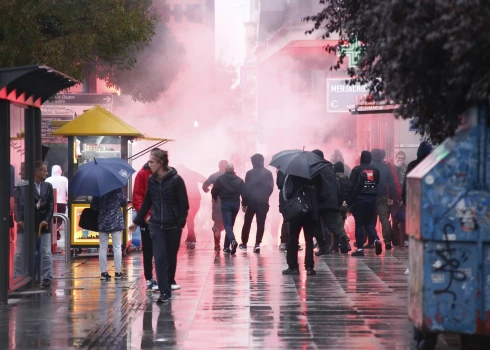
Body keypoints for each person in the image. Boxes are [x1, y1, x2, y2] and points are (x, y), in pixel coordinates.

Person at [130, 149, 189, 304]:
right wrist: (137, 221)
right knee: (160, 257)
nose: (149, 164)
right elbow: (147, 201)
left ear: (161, 162)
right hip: (156, 224)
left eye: (152, 161)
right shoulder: (151, 180)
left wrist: (180, 223)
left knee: (170, 257)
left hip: (173, 224)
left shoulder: (176, 180)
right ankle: (164, 292)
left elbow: (184, 203)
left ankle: (168, 283)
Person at [312, 149, 350, 255]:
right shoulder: (329, 167)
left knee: (321, 225)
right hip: (333, 200)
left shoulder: (316, 168)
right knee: (331, 223)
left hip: (322, 200)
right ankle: (340, 235)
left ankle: (326, 246)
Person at [281, 172, 319, 276]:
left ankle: (293, 267)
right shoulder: (315, 174)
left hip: (296, 209)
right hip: (311, 210)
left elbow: (286, 193)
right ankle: (310, 267)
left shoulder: (291, 175)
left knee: (293, 238)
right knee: (309, 239)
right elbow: (323, 193)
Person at [348, 151, 383, 257]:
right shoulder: (375, 170)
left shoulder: (356, 169)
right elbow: (376, 182)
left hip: (359, 199)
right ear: (370, 159)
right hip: (372, 199)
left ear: (361, 158)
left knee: (359, 224)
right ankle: (376, 239)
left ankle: (359, 249)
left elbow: (351, 186)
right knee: (368, 223)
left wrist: (349, 201)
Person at [91, 187, 127, 281]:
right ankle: (118, 273)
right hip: (115, 221)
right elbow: (124, 203)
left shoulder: (98, 190)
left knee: (103, 247)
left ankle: (103, 273)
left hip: (103, 221)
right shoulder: (118, 188)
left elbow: (93, 206)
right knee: (117, 247)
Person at [240, 154, 274, 253]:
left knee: (247, 222)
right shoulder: (268, 173)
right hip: (263, 202)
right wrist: (265, 197)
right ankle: (257, 244)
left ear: (253, 162)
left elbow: (246, 189)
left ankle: (244, 243)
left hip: (251, 202)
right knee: (261, 223)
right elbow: (271, 188)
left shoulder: (249, 173)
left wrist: (244, 203)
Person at [132, 159, 158, 291]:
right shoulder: (142, 175)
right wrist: (146, 215)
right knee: (148, 250)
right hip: (147, 219)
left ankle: (162, 278)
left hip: (160, 218)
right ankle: (149, 279)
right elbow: (137, 197)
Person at [28, 161, 54, 287]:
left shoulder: (48, 186)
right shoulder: (27, 186)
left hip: (44, 224)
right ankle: (32, 276)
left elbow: (50, 205)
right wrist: (35, 206)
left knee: (46, 252)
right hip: (31, 224)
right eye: (44, 171)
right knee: (33, 252)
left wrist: (47, 220)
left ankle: (47, 277)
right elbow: (23, 205)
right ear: (37, 172)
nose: (46, 173)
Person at [211, 163, 244, 254]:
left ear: (225, 169)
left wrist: (215, 198)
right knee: (230, 225)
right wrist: (244, 204)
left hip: (225, 203)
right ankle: (226, 247)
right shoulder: (239, 180)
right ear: (233, 170)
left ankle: (232, 241)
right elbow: (244, 193)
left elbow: (214, 190)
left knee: (227, 224)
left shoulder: (220, 179)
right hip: (236, 204)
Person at [371, 149, 400, 250]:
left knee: (370, 220)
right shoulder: (386, 168)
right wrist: (392, 198)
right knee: (384, 219)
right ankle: (387, 241)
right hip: (383, 196)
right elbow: (391, 184)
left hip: (370, 197)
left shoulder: (368, 167)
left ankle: (371, 241)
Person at [176, 165, 207, 250]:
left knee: (186, 219)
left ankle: (190, 240)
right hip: (196, 199)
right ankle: (189, 240)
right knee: (189, 219)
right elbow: (205, 181)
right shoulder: (193, 174)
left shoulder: (178, 176)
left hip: (186, 200)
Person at [202, 160, 229, 251]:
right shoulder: (232, 176)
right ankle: (226, 245)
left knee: (217, 224)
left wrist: (206, 189)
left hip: (217, 203)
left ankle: (217, 243)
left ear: (219, 166)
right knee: (228, 224)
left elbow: (205, 185)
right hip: (228, 203)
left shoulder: (214, 176)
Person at [332, 161, 353, 252]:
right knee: (341, 223)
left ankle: (345, 241)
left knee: (337, 225)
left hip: (339, 205)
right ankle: (336, 244)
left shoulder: (335, 179)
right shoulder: (347, 179)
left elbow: (335, 192)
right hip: (346, 205)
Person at [46, 165, 68, 239]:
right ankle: (57, 230)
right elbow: (68, 190)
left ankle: (53, 232)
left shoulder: (48, 180)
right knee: (60, 219)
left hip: (51, 202)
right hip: (62, 202)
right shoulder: (64, 179)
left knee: (51, 218)